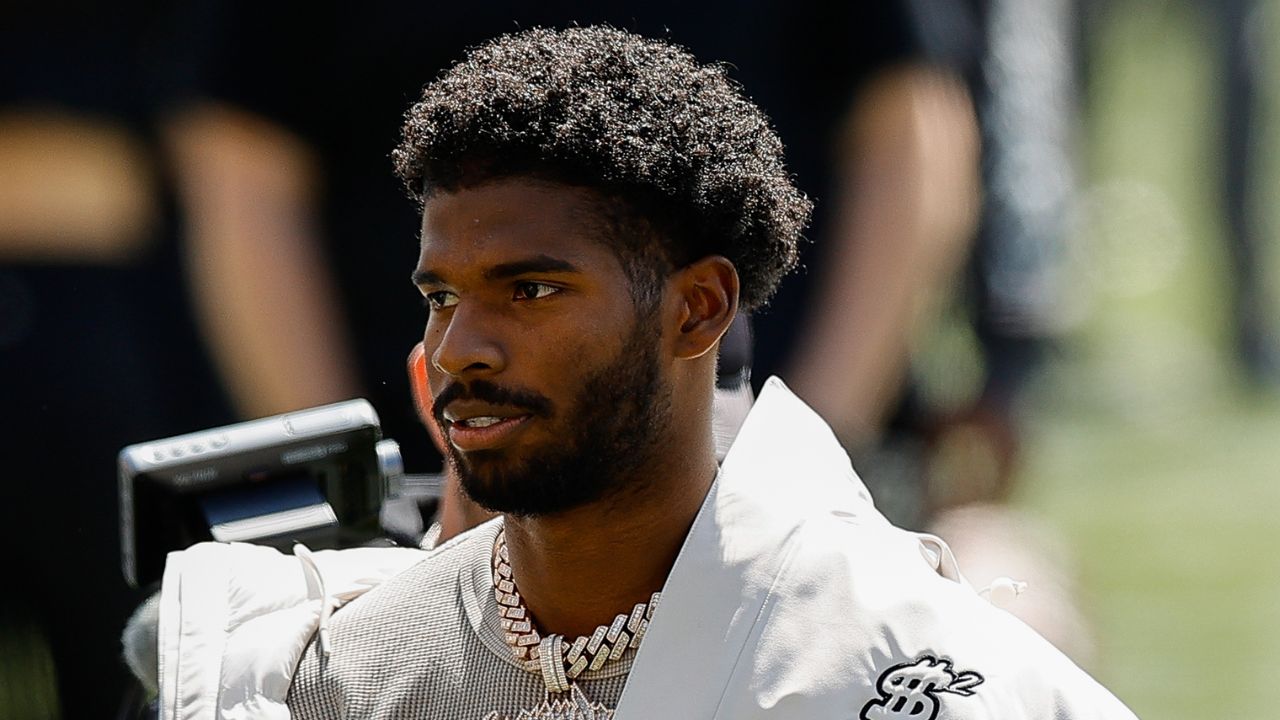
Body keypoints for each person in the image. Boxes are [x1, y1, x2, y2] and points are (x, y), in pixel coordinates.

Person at [153, 26, 1137, 719]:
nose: (462, 350)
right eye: (443, 297)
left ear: (698, 308)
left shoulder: (895, 670)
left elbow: (909, 122)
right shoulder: (321, 678)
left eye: (530, 291)